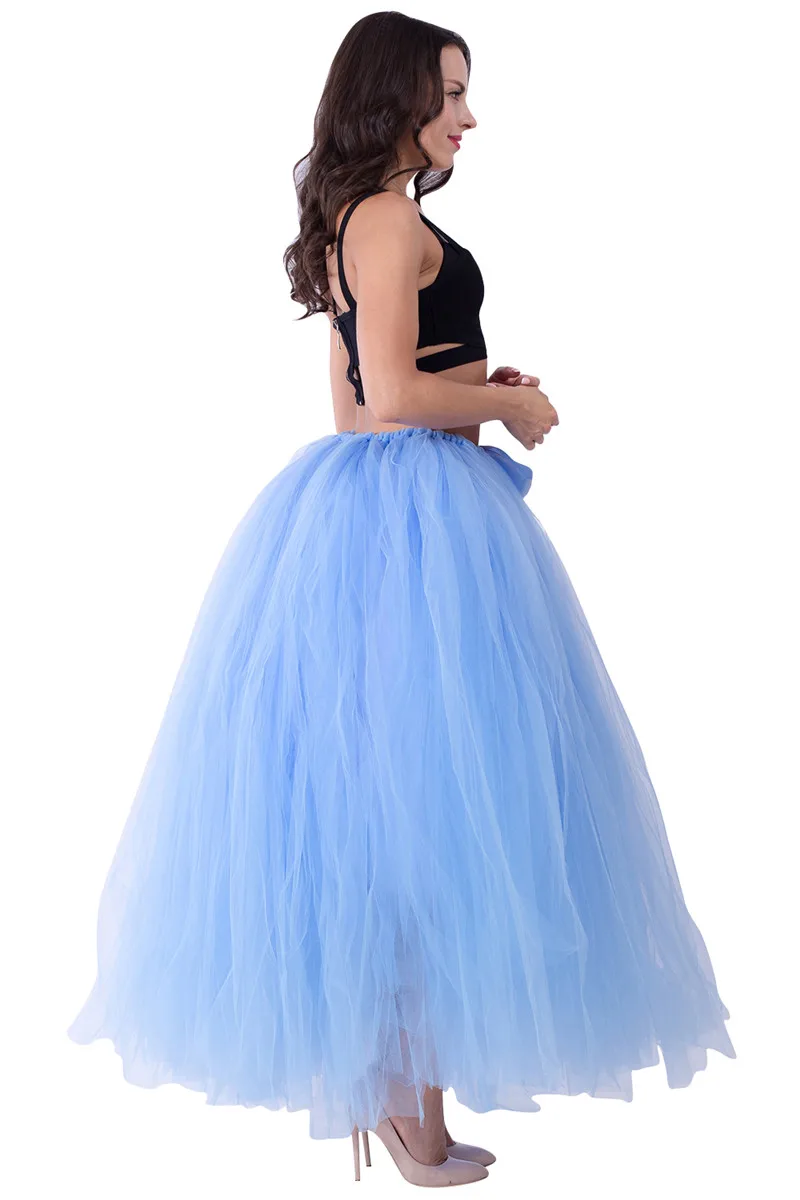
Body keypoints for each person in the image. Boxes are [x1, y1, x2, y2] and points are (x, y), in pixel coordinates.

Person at [66, 12, 736, 1190]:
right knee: (424, 806)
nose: (467, 117)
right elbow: (382, 404)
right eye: (450, 93)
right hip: (414, 534)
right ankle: (389, 1094)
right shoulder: (382, 219)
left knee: (412, 808)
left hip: (390, 524)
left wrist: (471, 381)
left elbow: (360, 398)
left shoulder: (360, 219)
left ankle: (407, 1091)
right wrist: (505, 406)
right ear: (396, 98)